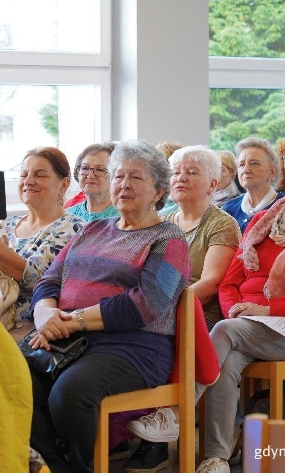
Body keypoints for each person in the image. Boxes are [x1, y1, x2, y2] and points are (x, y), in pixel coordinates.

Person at [28, 140, 190, 473]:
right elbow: (49, 281)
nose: (124, 184)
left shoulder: (169, 238)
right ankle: (57, 468)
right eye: (118, 176)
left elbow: (147, 305)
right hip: (67, 338)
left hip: (132, 348)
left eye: (136, 177)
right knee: (6, 379)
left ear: (159, 192)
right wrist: (45, 315)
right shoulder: (92, 229)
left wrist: (71, 320)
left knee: (69, 395)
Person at [196, 147, 285, 473]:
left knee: (223, 332)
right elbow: (229, 283)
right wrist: (235, 311)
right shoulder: (263, 221)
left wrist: (265, 310)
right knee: (227, 359)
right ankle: (217, 458)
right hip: (246, 323)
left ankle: (176, 409)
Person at [124, 145, 241, 470]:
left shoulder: (222, 224)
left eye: (191, 172)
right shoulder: (162, 221)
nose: (180, 178)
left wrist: (163, 306)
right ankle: (121, 429)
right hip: (159, 309)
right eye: (175, 172)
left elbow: (211, 282)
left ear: (212, 184)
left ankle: (157, 439)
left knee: (159, 342)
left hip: (201, 315)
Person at [0, 146, 85, 323]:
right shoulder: (5, 224)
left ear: (63, 185)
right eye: (24, 175)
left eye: (40, 175)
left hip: (32, 325)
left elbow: (36, 279)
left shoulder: (74, 228)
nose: (28, 181)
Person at [221, 137, 283, 233]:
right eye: (241, 165)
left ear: (272, 172)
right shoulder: (228, 209)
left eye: (254, 164)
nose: (245, 170)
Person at [66, 142, 119, 222]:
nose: (90, 175)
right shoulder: (67, 215)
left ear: (116, 175)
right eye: (85, 168)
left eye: (100, 169)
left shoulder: (125, 218)